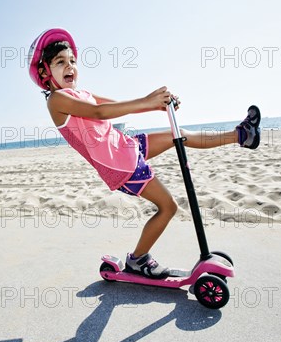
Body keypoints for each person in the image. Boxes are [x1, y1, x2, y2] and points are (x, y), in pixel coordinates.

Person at [28, 28, 261, 279]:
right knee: (168, 207)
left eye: (72, 60)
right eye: (60, 62)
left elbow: (115, 106)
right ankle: (138, 259)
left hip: (125, 146)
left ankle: (242, 135)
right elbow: (98, 113)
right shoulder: (57, 100)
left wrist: (158, 105)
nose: (70, 65)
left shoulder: (81, 93)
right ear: (44, 72)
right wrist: (148, 101)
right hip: (119, 165)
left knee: (178, 134)